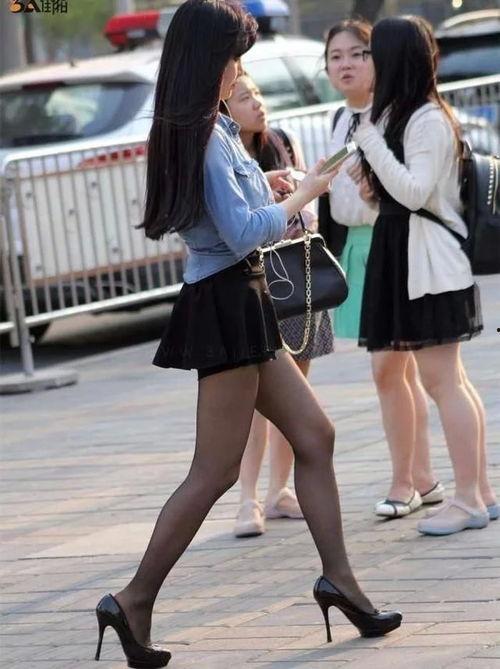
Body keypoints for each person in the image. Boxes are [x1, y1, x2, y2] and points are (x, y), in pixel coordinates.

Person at [94, 2, 401, 666]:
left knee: (315, 435)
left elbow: (227, 206)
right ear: (210, 58)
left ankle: (340, 580)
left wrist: (267, 182)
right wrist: (303, 193)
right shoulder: (205, 133)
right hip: (227, 299)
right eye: (234, 55)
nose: (239, 67)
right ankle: (133, 598)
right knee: (215, 469)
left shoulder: (204, 126)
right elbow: (240, 233)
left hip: (240, 297)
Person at [350, 15, 497, 536]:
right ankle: (479, 492)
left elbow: (415, 192)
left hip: (430, 264)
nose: (364, 63)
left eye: (370, 55)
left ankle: (469, 498)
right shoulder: (405, 115)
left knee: (443, 381)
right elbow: (399, 197)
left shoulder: (427, 119)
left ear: (393, 60)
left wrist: (370, 142)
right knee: (448, 380)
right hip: (412, 259)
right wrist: (370, 180)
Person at [325, 19, 444, 518]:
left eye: (359, 54)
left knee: (388, 369)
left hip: (392, 243)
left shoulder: (395, 115)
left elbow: (406, 190)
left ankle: (404, 483)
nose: (347, 64)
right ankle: (423, 477)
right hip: (358, 247)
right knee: (400, 370)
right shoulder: (339, 117)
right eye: (336, 57)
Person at [225, 72, 334, 538]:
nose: (257, 103)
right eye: (244, 97)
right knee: (258, 399)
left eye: (257, 94)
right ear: (226, 106)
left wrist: (300, 199)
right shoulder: (226, 154)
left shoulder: (282, 142)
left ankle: (279, 490)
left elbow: (309, 213)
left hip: (298, 274)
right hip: (256, 282)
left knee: (297, 392)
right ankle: (247, 499)